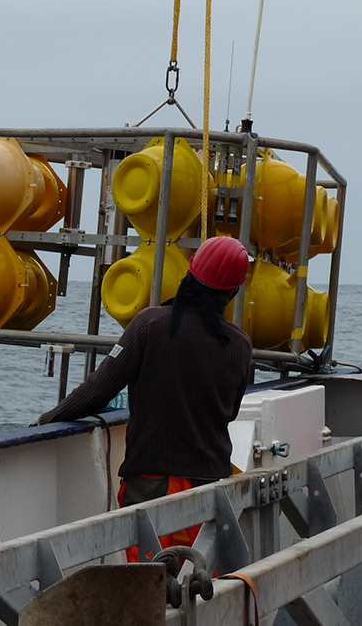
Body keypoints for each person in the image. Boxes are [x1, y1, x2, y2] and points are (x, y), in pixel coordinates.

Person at [35, 234, 253, 558]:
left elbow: (99, 389)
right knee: (199, 586)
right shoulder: (240, 344)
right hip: (209, 489)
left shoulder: (149, 324)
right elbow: (230, 412)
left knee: (148, 590)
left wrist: (44, 421)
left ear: (189, 273)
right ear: (233, 291)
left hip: (151, 486)